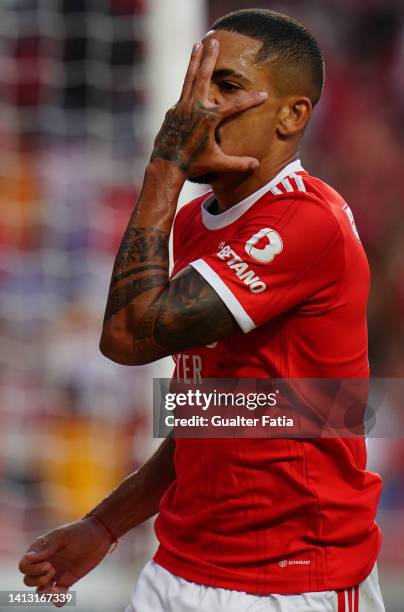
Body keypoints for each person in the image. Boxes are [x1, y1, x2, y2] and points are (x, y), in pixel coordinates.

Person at [18, 9, 385, 612]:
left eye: (228, 86)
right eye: (197, 83)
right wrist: (104, 525)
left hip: (294, 580)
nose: (197, 109)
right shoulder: (194, 223)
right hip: (181, 566)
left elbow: (127, 339)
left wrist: (165, 163)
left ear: (292, 116)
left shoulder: (304, 222)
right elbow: (213, 415)